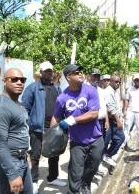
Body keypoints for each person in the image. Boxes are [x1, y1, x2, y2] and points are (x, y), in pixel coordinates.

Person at [50, 64, 104, 194]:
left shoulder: (90, 91)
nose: (80, 73)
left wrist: (72, 120)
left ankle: (85, 184)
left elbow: (93, 114)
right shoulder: (62, 97)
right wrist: (51, 137)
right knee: (75, 171)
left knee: (93, 166)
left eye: (81, 71)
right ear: (68, 77)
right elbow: (56, 117)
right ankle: (73, 191)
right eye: (76, 72)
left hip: (95, 137)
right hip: (77, 141)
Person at [22, 61, 66, 194]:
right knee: (35, 155)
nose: (48, 73)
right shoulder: (32, 88)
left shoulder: (57, 87)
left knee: (54, 153)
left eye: (50, 71)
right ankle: (33, 182)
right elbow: (25, 108)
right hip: (37, 128)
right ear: (40, 72)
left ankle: (52, 177)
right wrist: (30, 123)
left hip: (53, 127)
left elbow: (62, 105)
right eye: (46, 71)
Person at [0, 68, 33, 194]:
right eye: (14, 79)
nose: (19, 82)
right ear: (4, 82)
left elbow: (21, 130)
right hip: (10, 163)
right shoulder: (0, 108)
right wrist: (12, 174)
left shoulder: (17, 103)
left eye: (22, 80)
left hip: (21, 159)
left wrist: (26, 153)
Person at [103, 74, 125, 167]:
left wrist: (121, 118)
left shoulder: (114, 91)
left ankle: (107, 155)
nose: (118, 83)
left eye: (119, 82)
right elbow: (110, 107)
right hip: (110, 120)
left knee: (120, 138)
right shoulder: (108, 91)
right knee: (106, 140)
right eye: (116, 82)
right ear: (110, 82)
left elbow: (116, 107)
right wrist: (118, 121)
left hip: (115, 120)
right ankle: (103, 157)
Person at [123, 74, 139, 151]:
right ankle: (123, 144)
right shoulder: (130, 89)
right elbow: (126, 100)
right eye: (135, 80)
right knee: (126, 128)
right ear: (133, 81)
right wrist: (125, 111)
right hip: (130, 111)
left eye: (138, 80)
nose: (137, 81)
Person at [87, 69, 109, 140]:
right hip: (89, 122)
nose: (97, 78)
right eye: (95, 76)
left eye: (98, 76)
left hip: (100, 122)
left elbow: (104, 106)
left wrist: (107, 120)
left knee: (100, 145)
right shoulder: (84, 89)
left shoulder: (101, 91)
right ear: (90, 76)